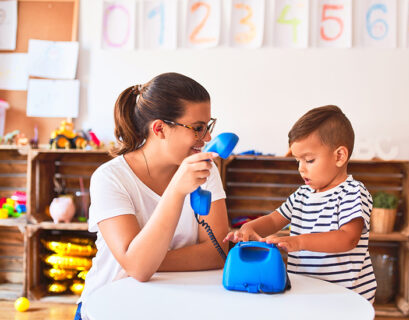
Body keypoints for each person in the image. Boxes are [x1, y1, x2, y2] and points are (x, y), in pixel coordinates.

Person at [76, 73, 229, 320]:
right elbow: (138, 268)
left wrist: (147, 259)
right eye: (198, 128)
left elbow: (216, 252)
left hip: (174, 306)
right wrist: (177, 190)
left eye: (208, 126)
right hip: (109, 308)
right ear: (159, 129)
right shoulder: (110, 178)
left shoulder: (204, 171)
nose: (208, 138)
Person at [224, 105, 377, 303]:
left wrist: (299, 242)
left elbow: (348, 238)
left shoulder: (353, 192)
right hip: (307, 292)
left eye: (309, 160)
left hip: (346, 297)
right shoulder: (302, 194)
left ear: (339, 156)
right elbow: (274, 219)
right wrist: (249, 227)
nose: (301, 169)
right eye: (298, 161)